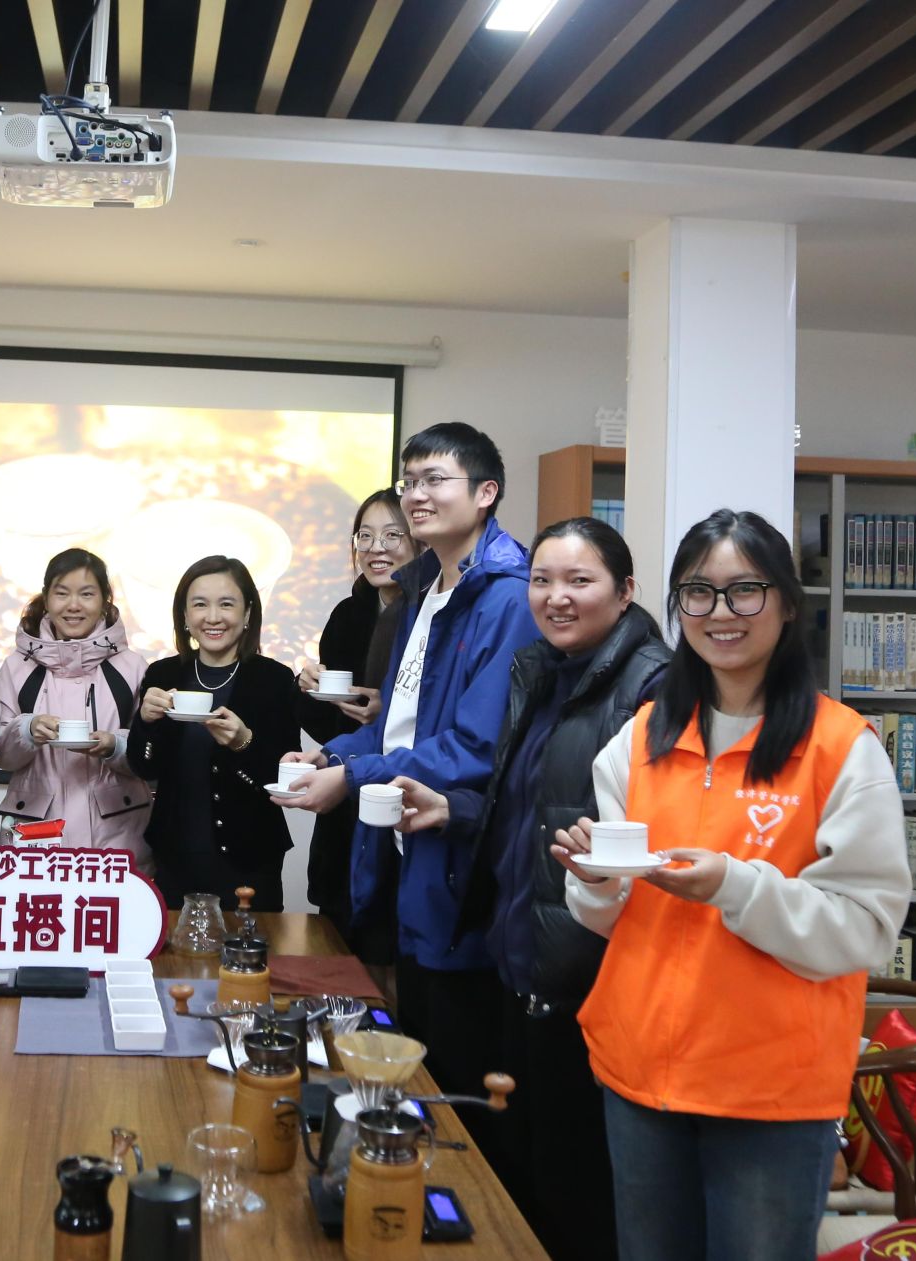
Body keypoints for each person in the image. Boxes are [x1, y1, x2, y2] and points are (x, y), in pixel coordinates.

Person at [553, 508, 909, 1261]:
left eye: (745, 590)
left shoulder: (841, 748)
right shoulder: (642, 737)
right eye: (699, 592)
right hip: (640, 1072)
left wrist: (735, 888)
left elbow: (866, 927)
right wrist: (594, 881)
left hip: (770, 1088)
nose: (721, 612)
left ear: (786, 602)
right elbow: (609, 915)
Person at [397, 516, 668, 1261]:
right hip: (522, 964)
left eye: (580, 580)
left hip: (590, 978)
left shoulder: (653, 687)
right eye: (543, 580)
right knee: (521, 1183)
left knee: (578, 1198)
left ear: (625, 591)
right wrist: (457, 810)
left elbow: (655, 836)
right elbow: (532, 805)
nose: (556, 597)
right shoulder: (541, 669)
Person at [283, 422, 539, 1112]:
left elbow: (474, 747)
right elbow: (402, 725)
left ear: (485, 493)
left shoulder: (507, 597)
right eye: (410, 481)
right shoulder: (422, 590)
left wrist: (350, 778)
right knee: (399, 1060)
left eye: (435, 480)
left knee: (450, 1076)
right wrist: (333, 755)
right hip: (403, 846)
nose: (417, 495)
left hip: (461, 859)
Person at [127, 555, 301, 910]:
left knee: (250, 946)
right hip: (175, 856)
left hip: (250, 860)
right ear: (185, 616)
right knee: (174, 947)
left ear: (248, 613)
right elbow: (143, 767)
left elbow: (286, 778)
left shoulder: (275, 679)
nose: (213, 617)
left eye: (226, 604)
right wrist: (145, 722)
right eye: (199, 605)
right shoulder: (162, 674)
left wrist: (243, 743)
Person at [296, 489, 420, 955]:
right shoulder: (348, 615)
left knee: (387, 953)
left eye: (392, 535)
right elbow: (327, 725)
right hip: (344, 800)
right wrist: (306, 688)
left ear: (420, 540)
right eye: (364, 536)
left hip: (404, 800)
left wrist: (386, 713)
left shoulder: (432, 615)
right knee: (334, 946)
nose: (375, 548)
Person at [0, 548, 151, 860]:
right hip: (37, 836)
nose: (73, 605)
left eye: (86, 594)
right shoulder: (17, 667)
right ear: (46, 599)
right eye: (61, 593)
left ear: (105, 600)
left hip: (118, 836)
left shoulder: (133, 667)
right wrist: (26, 731)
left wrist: (114, 746)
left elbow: (150, 754)